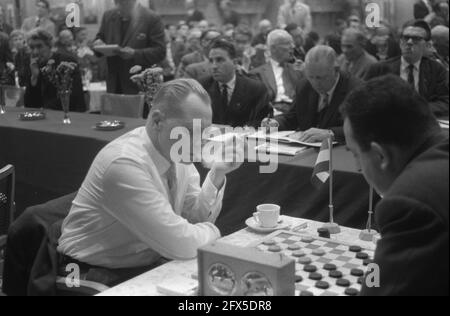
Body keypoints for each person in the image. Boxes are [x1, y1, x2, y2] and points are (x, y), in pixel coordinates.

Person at [58, 79, 242, 280]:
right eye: (190, 131)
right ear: (156, 121)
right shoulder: (123, 163)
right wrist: (214, 232)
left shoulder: (176, 153)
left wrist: (217, 173)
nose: (200, 143)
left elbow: (193, 219)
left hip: (142, 264)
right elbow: (181, 244)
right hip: (88, 273)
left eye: (204, 132)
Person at [342, 75, 449, 296]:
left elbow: (378, 291)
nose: (358, 168)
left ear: (380, 156)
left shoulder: (411, 203)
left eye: (355, 154)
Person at [263, 45, 361, 143]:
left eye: (320, 78)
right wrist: (274, 123)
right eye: (311, 77)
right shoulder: (304, 85)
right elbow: (292, 117)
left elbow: (361, 127)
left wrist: (331, 133)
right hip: (308, 149)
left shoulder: (356, 90)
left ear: (336, 71)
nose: (315, 83)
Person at [366, 20, 449, 118]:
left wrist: (418, 109)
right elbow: (365, 99)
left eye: (416, 38)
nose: (409, 42)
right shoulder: (380, 69)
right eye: (406, 38)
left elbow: (445, 102)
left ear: (427, 45)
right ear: (400, 42)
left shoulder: (437, 70)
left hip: (423, 123)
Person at [93, 0, 166, 94]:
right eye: (118, 3)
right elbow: (100, 38)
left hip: (140, 84)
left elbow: (160, 51)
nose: (120, 8)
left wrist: (135, 54)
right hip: (114, 84)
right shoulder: (108, 15)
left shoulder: (151, 18)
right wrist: (98, 45)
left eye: (125, 3)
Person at [200, 38, 271, 127]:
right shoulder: (201, 87)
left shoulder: (255, 89)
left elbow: (260, 122)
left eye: (219, 60)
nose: (214, 66)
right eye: (211, 61)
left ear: (235, 62)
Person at [23, 29, 86, 112]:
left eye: (39, 46)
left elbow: (72, 96)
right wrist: (34, 77)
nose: (35, 51)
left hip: (72, 115)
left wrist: (45, 109)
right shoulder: (34, 65)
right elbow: (30, 104)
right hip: (45, 116)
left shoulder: (66, 61)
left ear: (49, 46)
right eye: (32, 48)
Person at [251, 30, 304, 115]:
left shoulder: (298, 70)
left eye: (292, 43)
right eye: (287, 43)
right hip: (271, 113)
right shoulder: (257, 73)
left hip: (295, 113)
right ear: (273, 48)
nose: (293, 46)